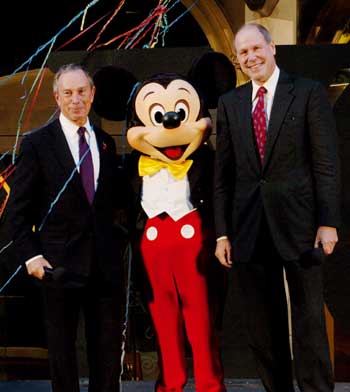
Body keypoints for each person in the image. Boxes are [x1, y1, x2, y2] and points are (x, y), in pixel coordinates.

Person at [214, 23, 340, 392]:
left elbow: (326, 165)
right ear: (238, 61)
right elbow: (224, 177)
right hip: (249, 228)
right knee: (262, 325)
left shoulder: (307, 93)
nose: (251, 57)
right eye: (243, 53)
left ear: (272, 48)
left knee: (309, 321)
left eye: (256, 48)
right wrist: (223, 232)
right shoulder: (230, 103)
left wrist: (328, 221)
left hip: (300, 225)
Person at [6, 63, 131, 392]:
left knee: (105, 357)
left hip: (104, 269)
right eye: (68, 93)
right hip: (58, 268)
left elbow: (112, 205)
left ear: (92, 95)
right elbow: (17, 212)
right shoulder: (37, 144)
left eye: (81, 92)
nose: (75, 99)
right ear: (57, 98)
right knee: (62, 357)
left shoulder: (106, 142)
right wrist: (32, 259)